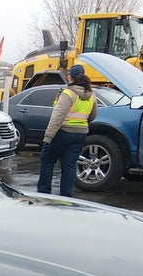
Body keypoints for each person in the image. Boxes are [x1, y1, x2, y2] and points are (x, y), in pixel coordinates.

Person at [37, 64, 98, 197]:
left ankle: (43, 194)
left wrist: (48, 137)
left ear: (71, 78)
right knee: (69, 166)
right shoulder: (91, 94)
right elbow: (92, 115)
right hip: (80, 135)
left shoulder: (68, 93)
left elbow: (57, 117)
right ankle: (66, 196)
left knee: (47, 161)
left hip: (63, 132)